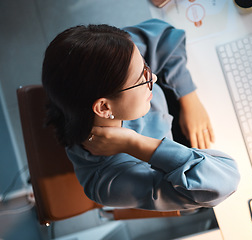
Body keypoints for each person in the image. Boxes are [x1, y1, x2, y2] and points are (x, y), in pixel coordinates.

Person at [42, 19, 240, 211]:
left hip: (176, 113)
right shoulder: (109, 181)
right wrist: (134, 144)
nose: (152, 76)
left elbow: (167, 35)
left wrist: (188, 97)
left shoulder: (116, 56)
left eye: (146, 65)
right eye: (141, 77)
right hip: (186, 166)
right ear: (104, 108)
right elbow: (223, 181)